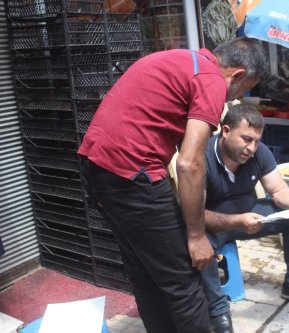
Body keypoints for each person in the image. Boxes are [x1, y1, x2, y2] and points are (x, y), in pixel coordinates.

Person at [78, 37, 269, 333]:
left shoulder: (177, 61)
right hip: (132, 173)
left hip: (99, 168)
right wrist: (195, 237)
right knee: (185, 282)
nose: (235, 98)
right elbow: (189, 163)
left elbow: (177, 149)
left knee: (145, 273)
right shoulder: (211, 79)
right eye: (243, 90)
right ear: (238, 75)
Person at [202, 104, 289, 333]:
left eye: (256, 141)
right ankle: (218, 310)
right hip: (213, 221)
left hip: (250, 212)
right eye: (246, 139)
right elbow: (194, 213)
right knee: (197, 244)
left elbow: (277, 188)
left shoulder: (259, 152)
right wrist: (235, 221)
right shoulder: (202, 157)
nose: (251, 148)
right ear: (225, 131)